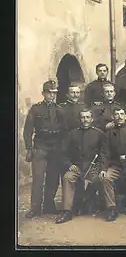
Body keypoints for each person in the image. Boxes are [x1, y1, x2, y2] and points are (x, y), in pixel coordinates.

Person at [23, 80, 66, 218]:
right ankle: (35, 208)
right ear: (43, 93)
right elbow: (27, 130)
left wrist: (62, 148)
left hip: (55, 146)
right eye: (49, 93)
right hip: (40, 146)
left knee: (53, 178)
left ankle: (48, 205)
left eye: (54, 93)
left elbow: (64, 130)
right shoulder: (36, 109)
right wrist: (29, 149)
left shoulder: (60, 109)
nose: (52, 96)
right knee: (38, 177)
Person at [55, 109, 106, 224]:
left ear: (92, 119)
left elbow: (104, 153)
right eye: (83, 117)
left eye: (88, 117)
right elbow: (63, 153)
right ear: (79, 119)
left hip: (93, 167)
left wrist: (102, 168)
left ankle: (96, 204)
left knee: (98, 179)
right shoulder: (72, 134)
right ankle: (67, 211)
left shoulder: (99, 134)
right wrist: (69, 164)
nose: (85, 120)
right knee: (68, 177)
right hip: (77, 167)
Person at [99, 107, 126, 222]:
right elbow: (105, 152)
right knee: (106, 178)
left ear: (125, 117)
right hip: (115, 165)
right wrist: (103, 168)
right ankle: (111, 208)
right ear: (113, 117)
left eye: (122, 114)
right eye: (116, 114)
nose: (119, 116)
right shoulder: (108, 133)